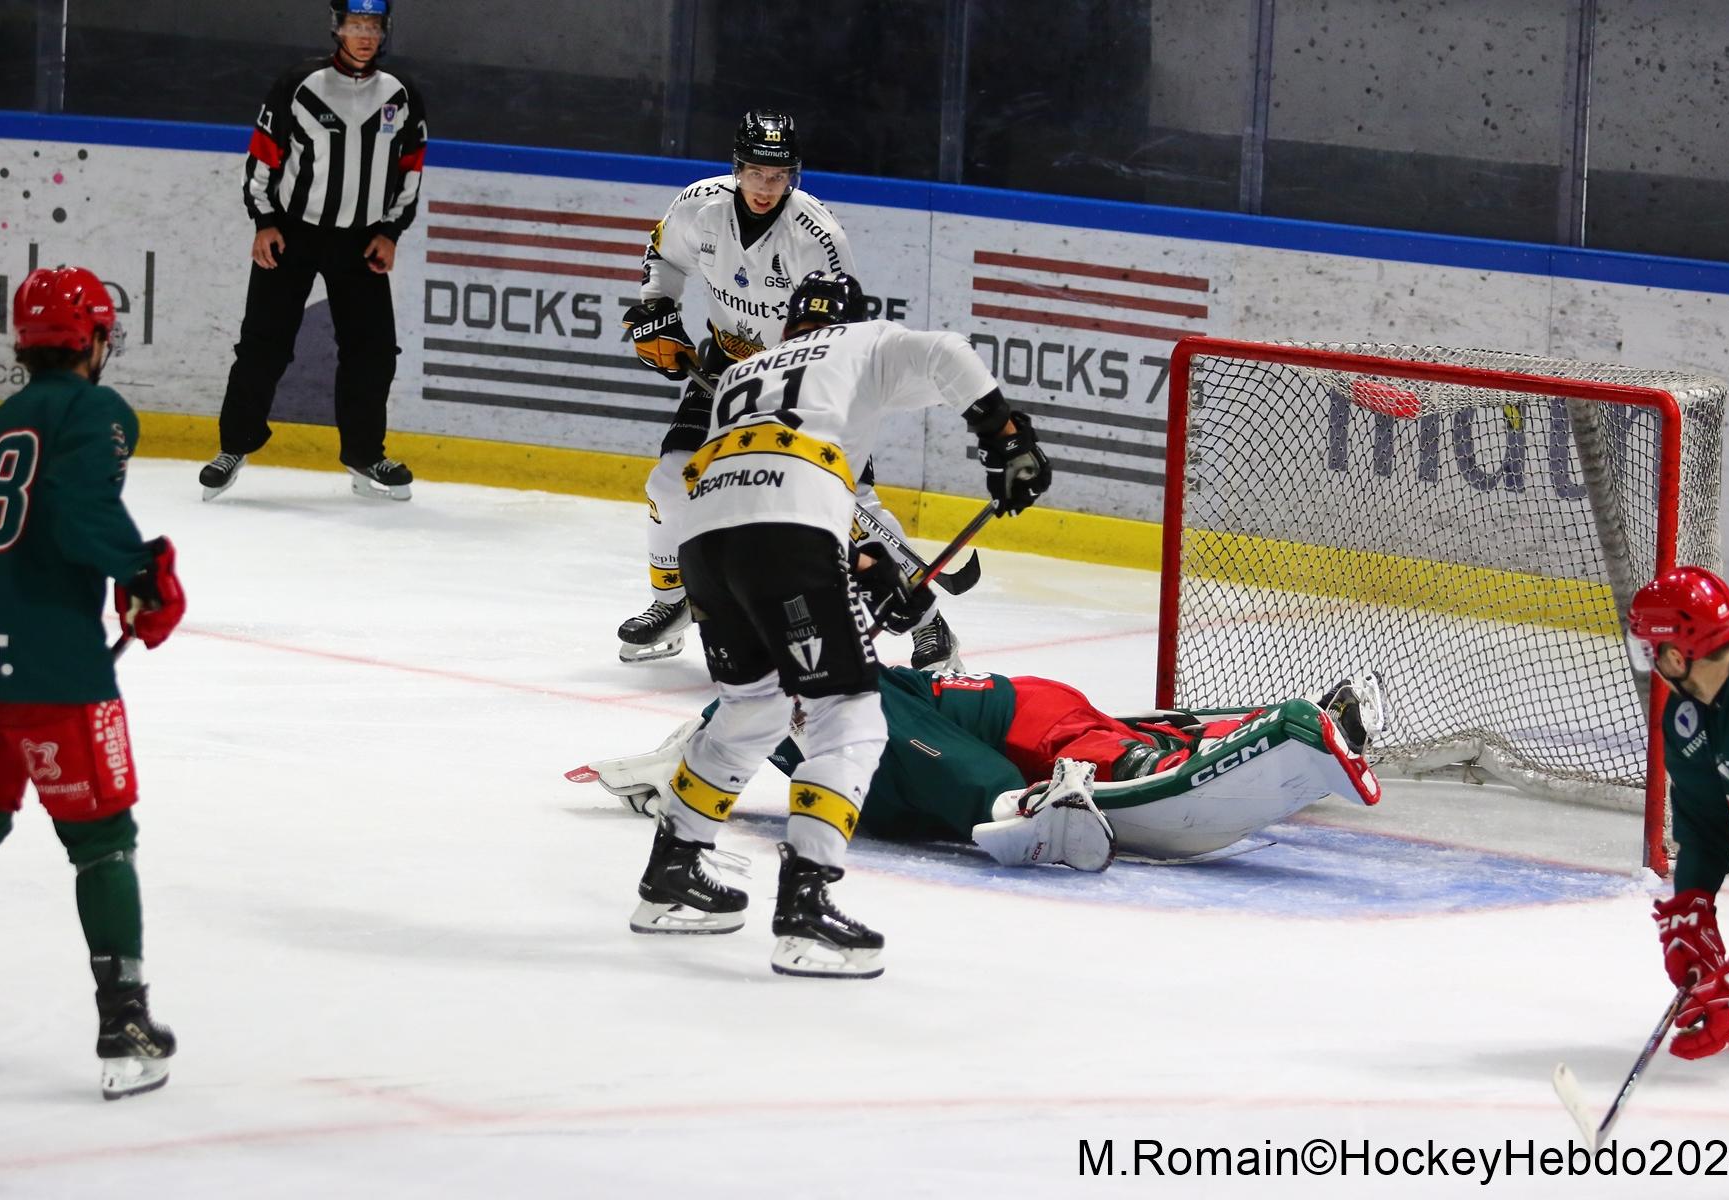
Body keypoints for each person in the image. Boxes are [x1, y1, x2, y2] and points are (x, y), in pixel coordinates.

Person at [625, 270, 1050, 979]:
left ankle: (671, 873)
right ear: (852, 317)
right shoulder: (863, 340)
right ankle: (805, 908)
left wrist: (859, 565)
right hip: (785, 530)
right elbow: (946, 353)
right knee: (849, 718)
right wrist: (1006, 439)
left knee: (753, 709)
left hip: (706, 537)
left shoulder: (748, 370)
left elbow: (769, 481)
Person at [617, 109, 964, 670]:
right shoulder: (698, 207)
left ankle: (930, 626)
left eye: (777, 176)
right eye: (755, 172)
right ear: (737, 169)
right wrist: (657, 312)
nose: (765, 186)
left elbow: (841, 331)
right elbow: (665, 259)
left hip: (807, 384)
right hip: (726, 373)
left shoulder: (818, 237)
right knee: (672, 481)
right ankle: (673, 600)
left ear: (793, 175)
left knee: (849, 510)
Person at [0, 268, 187, 1099]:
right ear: (96, 339)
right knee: (102, 841)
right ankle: (123, 1024)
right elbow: (76, 508)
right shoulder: (96, 412)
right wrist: (141, 571)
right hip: (55, 671)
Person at [586, 666, 1380, 870]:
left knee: (1093, 741)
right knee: (841, 709)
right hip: (888, 786)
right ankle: (1029, 805)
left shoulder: (825, 680)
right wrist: (673, 767)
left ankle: (1025, 807)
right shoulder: (787, 695)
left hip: (1001, 714)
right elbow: (727, 718)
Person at [199, 0, 427, 502]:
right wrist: (264, 222)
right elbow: (263, 158)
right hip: (292, 236)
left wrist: (391, 231)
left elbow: (411, 169)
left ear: (384, 31)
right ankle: (233, 446)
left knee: (373, 353)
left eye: (373, 26)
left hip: (362, 242)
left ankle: (364, 454)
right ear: (337, 28)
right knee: (262, 346)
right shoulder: (299, 85)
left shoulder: (401, 93)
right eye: (355, 25)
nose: (365, 35)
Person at [1629, 565, 1729, 1060]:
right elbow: (1702, 827)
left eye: (1650, 650)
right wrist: (1692, 905)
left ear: (1676, 656)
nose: (1649, 662)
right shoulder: (1690, 715)